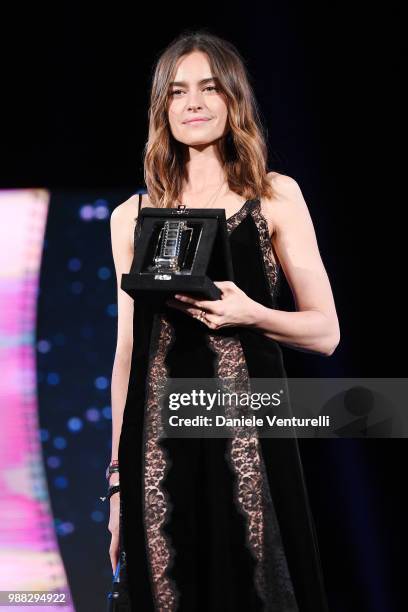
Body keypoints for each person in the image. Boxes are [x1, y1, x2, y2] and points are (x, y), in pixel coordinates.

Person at [107, 30, 340, 612]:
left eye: (210, 88)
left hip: (250, 437)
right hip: (157, 450)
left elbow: (325, 331)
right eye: (178, 91)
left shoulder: (274, 196)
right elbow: (127, 356)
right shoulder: (130, 216)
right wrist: (115, 485)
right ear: (163, 107)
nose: (193, 104)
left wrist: (251, 313)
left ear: (234, 100)